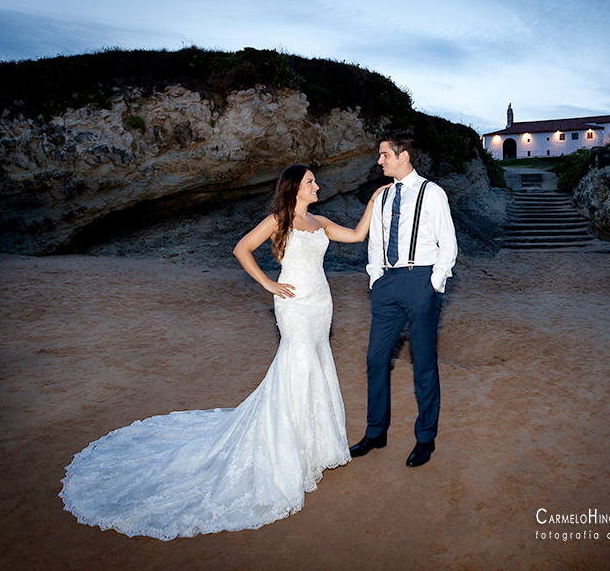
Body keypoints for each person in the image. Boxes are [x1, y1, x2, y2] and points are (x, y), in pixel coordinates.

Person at [60, 164, 386, 540]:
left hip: (320, 304)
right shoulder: (277, 220)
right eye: (311, 181)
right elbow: (241, 248)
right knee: (296, 364)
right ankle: (289, 449)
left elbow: (359, 235)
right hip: (293, 305)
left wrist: (374, 201)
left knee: (316, 364)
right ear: (295, 188)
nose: (317, 185)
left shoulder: (321, 221)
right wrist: (267, 283)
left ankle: (313, 447)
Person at [348, 130, 457, 468]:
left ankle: (425, 439)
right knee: (375, 359)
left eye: (384, 155)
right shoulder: (381, 197)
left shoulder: (432, 193)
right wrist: (376, 277)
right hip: (387, 285)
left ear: (403, 156)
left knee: (423, 364)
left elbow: (448, 244)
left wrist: (434, 283)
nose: (379, 160)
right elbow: (375, 242)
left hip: (420, 280)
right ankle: (375, 432)